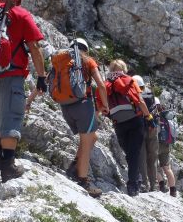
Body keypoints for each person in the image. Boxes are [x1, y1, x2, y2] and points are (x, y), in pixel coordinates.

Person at [0, 0, 46, 183]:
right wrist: (42, 76)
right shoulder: (20, 14)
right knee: (11, 115)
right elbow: (34, 47)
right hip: (11, 73)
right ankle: (8, 165)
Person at [59, 38, 109, 198]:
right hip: (82, 105)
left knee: (92, 137)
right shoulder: (87, 61)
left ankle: (75, 165)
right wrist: (106, 105)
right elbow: (101, 85)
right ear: (85, 49)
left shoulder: (62, 61)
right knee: (87, 142)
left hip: (65, 106)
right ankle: (83, 180)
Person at [100, 60, 155, 196]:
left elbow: (102, 107)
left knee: (129, 152)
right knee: (133, 153)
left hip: (119, 123)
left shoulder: (106, 84)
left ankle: (136, 179)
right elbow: (139, 100)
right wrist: (149, 117)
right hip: (135, 121)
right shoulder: (128, 80)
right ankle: (133, 185)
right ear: (123, 69)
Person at [134, 75, 159, 192]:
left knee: (142, 157)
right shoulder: (150, 94)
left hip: (140, 128)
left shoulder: (133, 94)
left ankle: (144, 184)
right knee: (152, 158)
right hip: (153, 128)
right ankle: (153, 185)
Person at [155, 98, 177, 197]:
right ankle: (173, 190)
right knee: (167, 168)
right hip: (166, 145)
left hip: (156, 144)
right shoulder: (167, 117)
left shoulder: (155, 116)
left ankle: (162, 184)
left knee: (153, 165)